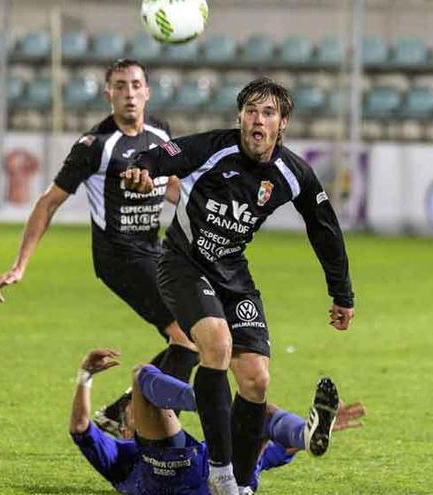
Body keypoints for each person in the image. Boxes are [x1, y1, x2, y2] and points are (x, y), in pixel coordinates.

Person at [121, 78, 355, 494]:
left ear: (282, 123)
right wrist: (142, 168)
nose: (256, 120)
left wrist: (342, 295)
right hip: (184, 264)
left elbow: (325, 231)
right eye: (250, 111)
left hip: (233, 274)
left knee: (256, 380)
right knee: (217, 346)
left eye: (267, 113)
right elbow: (164, 155)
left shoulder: (293, 173)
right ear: (240, 117)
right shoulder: (216, 148)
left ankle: (242, 485)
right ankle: (221, 475)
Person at [0, 59, 199, 433]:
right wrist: (20, 265)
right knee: (188, 339)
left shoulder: (161, 133)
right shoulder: (95, 145)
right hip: (118, 256)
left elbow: (170, 186)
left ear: (147, 92)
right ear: (108, 95)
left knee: (191, 343)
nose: (129, 94)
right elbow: (48, 201)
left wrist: (203, 211)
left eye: (136, 85)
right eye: (120, 86)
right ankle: (148, 430)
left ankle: (124, 412)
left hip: (154, 251)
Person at [69, 348, 365, 494]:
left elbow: (279, 448)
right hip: (171, 480)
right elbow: (81, 428)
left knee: (258, 416)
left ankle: (303, 432)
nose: (135, 407)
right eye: (131, 407)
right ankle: (212, 403)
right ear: (124, 428)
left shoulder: (210, 448)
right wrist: (85, 377)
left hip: (228, 478)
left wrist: (306, 435)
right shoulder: (121, 455)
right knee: (141, 375)